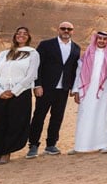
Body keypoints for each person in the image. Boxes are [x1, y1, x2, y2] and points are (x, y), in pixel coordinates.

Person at [0, 27, 40, 165]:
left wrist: (14, 91)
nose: (21, 36)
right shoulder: (4, 54)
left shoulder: (32, 54)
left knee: (14, 123)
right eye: (19, 33)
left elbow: (31, 75)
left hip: (19, 94)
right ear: (15, 36)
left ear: (28, 37)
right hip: (0, 94)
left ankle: (6, 153)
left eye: (25, 34)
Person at [26, 21, 81, 158]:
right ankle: (33, 145)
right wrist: (37, 85)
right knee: (39, 116)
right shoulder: (46, 45)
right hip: (45, 88)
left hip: (62, 89)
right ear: (58, 30)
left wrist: (73, 88)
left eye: (69, 29)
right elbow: (37, 66)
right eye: (63, 28)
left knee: (57, 117)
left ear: (73, 31)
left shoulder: (76, 48)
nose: (66, 31)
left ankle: (51, 145)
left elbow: (74, 70)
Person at [70, 31, 107, 154]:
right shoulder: (87, 54)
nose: (101, 41)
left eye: (104, 39)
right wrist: (75, 90)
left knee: (103, 117)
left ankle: (103, 145)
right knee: (84, 116)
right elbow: (78, 73)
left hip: (104, 91)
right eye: (99, 38)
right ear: (96, 39)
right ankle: (80, 146)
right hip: (86, 91)